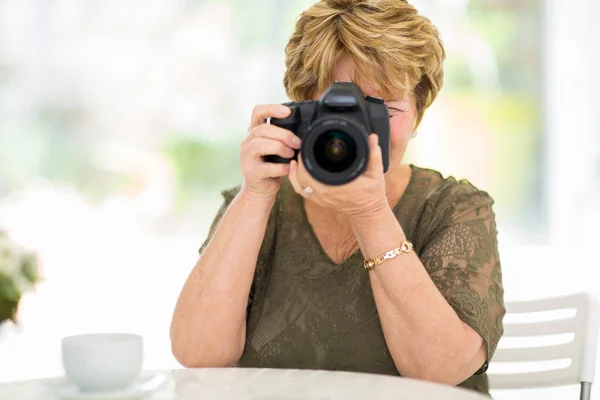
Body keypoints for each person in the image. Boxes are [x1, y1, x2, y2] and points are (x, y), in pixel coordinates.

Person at [170, 0, 505, 395]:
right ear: (299, 110)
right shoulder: (258, 207)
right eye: (337, 108)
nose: (357, 127)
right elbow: (197, 353)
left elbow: (441, 368)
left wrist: (370, 211)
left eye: (381, 107)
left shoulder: (454, 208)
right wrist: (254, 196)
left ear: (418, 114)